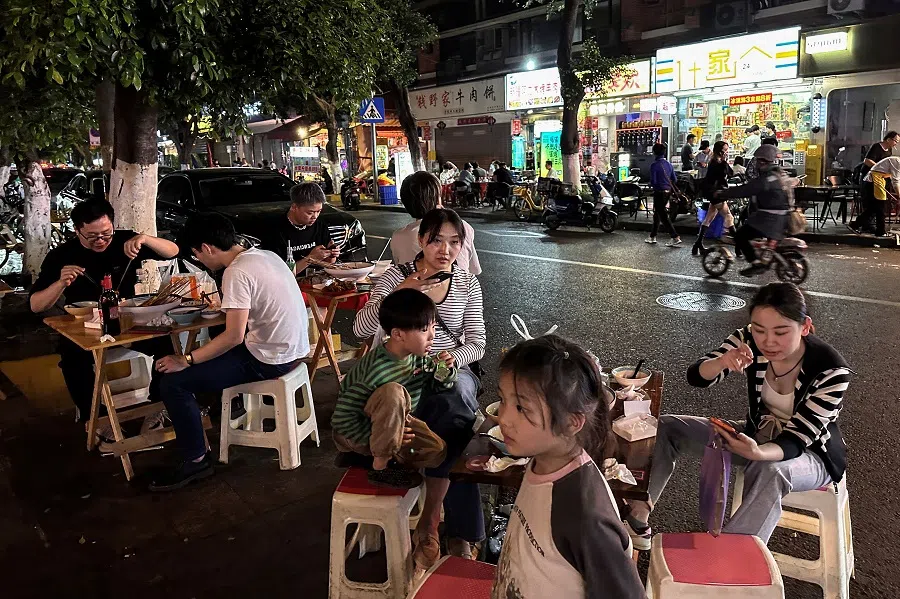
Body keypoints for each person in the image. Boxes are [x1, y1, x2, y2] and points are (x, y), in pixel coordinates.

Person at [623, 283, 851, 551]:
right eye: (759, 329)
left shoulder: (831, 370)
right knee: (667, 427)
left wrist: (759, 453)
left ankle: (732, 557)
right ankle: (637, 518)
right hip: (754, 435)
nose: (768, 341)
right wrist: (722, 361)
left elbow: (797, 438)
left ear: (804, 327)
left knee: (771, 469)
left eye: (781, 332)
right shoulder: (748, 340)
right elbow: (696, 377)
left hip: (811, 454)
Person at [354, 208, 486, 567]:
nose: (446, 249)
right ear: (422, 240)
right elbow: (361, 330)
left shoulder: (466, 283)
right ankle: (458, 532)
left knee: (455, 403)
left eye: (455, 242)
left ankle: (430, 521)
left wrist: (454, 358)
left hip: (450, 370)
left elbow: (477, 342)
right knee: (456, 427)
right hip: (401, 370)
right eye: (437, 240)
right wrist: (400, 291)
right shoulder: (395, 277)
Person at [151, 213, 310, 491]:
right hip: (295, 349)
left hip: (270, 359)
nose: (200, 261)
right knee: (203, 362)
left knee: (174, 382)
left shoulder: (236, 271)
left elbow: (234, 337)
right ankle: (206, 429)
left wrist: (185, 359)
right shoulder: (265, 255)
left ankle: (196, 459)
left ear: (208, 248)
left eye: (197, 254)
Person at [492, 335, 644, 598]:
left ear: (572, 423)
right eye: (503, 400)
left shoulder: (584, 515)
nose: (503, 417)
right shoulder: (543, 461)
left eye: (521, 408)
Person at [29, 198, 180, 426]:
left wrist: (145, 238)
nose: (101, 240)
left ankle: (158, 406)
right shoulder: (62, 255)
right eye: (92, 236)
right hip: (86, 328)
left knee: (167, 345)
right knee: (72, 359)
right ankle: (96, 420)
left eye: (106, 233)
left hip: (130, 323)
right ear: (77, 230)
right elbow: (36, 305)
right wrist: (61, 282)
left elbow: (173, 252)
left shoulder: (125, 241)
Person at [332, 289, 453, 487]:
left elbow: (438, 385)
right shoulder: (376, 369)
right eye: (424, 329)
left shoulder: (418, 358)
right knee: (393, 392)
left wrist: (444, 370)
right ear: (397, 334)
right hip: (354, 431)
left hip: (392, 425)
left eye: (433, 327)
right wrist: (374, 437)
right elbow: (341, 420)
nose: (432, 336)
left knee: (437, 451)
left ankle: (378, 457)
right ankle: (379, 466)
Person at [714, 145, 790, 277]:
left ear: (763, 161)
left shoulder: (766, 179)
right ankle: (765, 256)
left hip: (769, 219)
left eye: (759, 161)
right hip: (780, 217)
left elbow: (745, 190)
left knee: (741, 235)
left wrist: (723, 193)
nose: (757, 164)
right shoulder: (779, 175)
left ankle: (756, 263)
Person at [390, 171, 481, 274]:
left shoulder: (399, 237)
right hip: (461, 288)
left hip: (412, 288)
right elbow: (474, 271)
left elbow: (400, 272)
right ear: (437, 199)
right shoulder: (463, 226)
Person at [261, 181, 340, 274]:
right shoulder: (275, 231)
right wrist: (311, 258)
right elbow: (280, 274)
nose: (315, 216)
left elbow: (329, 263)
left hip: (318, 280)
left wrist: (331, 255)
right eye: (310, 213)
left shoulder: (320, 226)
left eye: (318, 211)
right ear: (294, 207)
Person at [693, 141, 735, 256]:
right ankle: (739, 246)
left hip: (714, 192)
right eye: (725, 150)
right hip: (717, 193)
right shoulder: (718, 163)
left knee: (709, 218)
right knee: (728, 216)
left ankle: (697, 244)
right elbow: (729, 173)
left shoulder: (714, 161)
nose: (726, 152)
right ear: (720, 150)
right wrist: (726, 162)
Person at [853, 131, 900, 233]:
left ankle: (859, 223)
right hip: (870, 177)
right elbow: (867, 161)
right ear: (888, 139)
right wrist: (879, 168)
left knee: (876, 206)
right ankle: (870, 226)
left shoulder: (889, 151)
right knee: (875, 204)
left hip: (880, 179)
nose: (896, 143)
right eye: (895, 141)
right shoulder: (877, 147)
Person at [645, 143, 682, 247]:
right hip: (668, 192)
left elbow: (654, 181)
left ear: (654, 153)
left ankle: (674, 236)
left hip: (659, 192)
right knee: (658, 214)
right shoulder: (669, 164)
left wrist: (650, 185)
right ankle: (652, 236)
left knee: (663, 215)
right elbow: (674, 179)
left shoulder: (654, 165)